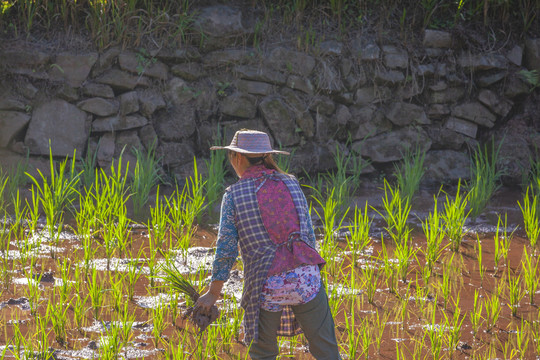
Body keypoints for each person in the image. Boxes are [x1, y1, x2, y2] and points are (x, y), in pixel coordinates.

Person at [194, 129, 341, 360]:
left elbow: (227, 249)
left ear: (238, 157)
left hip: (266, 283)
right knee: (326, 350)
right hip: (307, 278)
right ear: (266, 155)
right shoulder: (291, 183)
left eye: (231, 156)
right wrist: (312, 274)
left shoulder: (233, 195)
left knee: (263, 353)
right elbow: (308, 237)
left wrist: (213, 293)